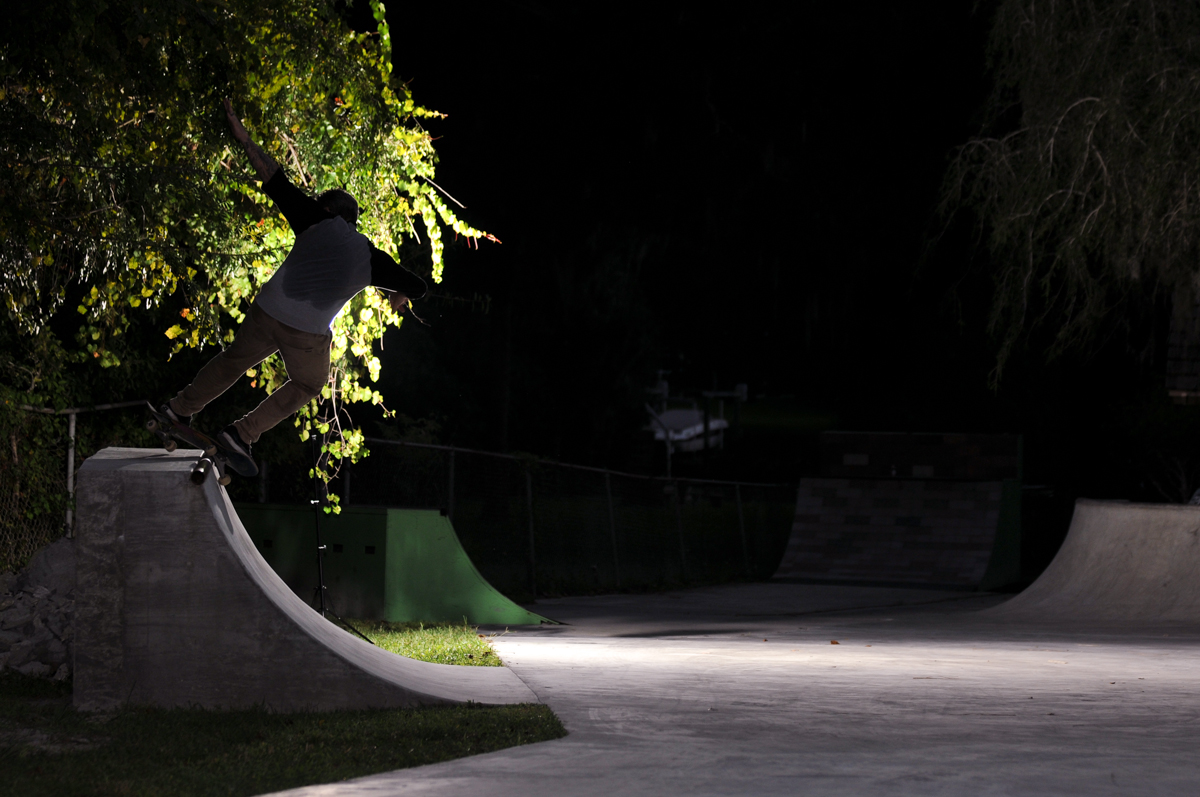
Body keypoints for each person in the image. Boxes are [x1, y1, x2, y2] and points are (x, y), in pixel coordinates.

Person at [162, 99, 427, 475]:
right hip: (305, 334)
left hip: (266, 310)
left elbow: (273, 175)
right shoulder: (371, 258)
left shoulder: (312, 219)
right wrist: (398, 294)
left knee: (232, 362)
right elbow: (418, 286)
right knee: (308, 383)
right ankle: (242, 434)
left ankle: (178, 408)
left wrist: (244, 138)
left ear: (329, 211)